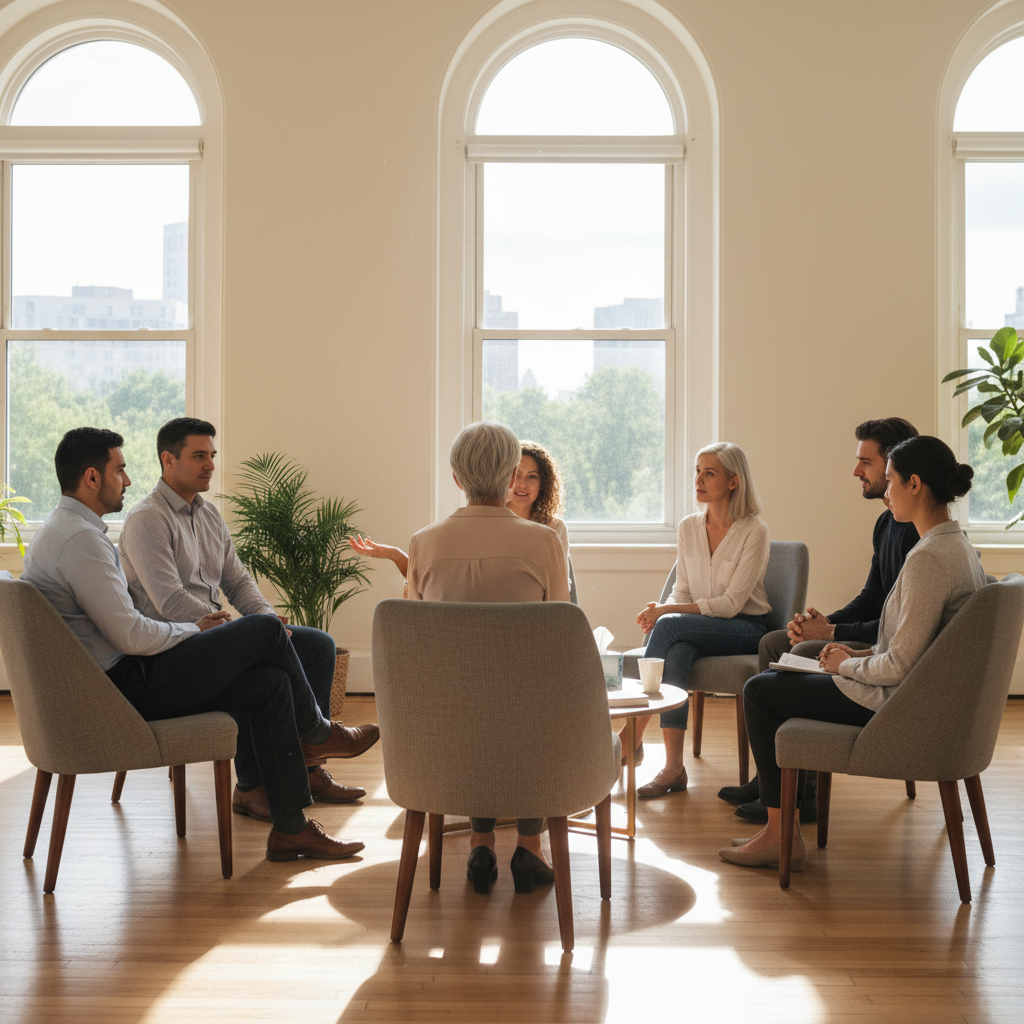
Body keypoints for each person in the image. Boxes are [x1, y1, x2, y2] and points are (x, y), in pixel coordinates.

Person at [21, 427, 375, 862]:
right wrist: (200, 631)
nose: (128, 480)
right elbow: (132, 633)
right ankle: (318, 733)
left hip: (123, 677)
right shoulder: (82, 541)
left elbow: (235, 580)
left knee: (269, 682)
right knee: (263, 634)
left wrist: (223, 628)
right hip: (124, 687)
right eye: (120, 469)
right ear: (92, 478)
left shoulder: (69, 532)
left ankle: (291, 828)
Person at [720, 436, 984, 872]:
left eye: (892, 482)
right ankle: (783, 819)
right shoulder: (955, 547)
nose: (885, 491)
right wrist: (846, 652)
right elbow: (904, 645)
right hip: (913, 695)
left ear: (915, 484)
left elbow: (899, 664)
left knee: (760, 692)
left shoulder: (930, 560)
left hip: (895, 703)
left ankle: (777, 833)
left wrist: (847, 664)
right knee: (783, 673)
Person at [117, 417, 376, 824]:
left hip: (212, 632)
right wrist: (236, 631)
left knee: (317, 645)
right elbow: (168, 601)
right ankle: (256, 783)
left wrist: (268, 621)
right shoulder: (146, 519)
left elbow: (237, 580)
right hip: (174, 645)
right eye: (199, 456)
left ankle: (309, 767)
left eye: (212, 456)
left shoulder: (208, 515)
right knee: (255, 655)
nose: (210, 465)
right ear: (168, 460)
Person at [720, 417, 920, 823]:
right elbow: (872, 598)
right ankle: (776, 778)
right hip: (878, 637)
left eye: (865, 461)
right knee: (776, 642)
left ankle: (796, 793)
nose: (855, 471)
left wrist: (828, 632)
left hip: (888, 651)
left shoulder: (918, 534)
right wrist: (824, 619)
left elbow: (894, 625)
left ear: (893, 465)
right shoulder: (886, 524)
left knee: (802, 651)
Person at [406, 421, 571, 895]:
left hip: (446, 720)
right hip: (526, 721)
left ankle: (480, 842)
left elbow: (417, 640)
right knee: (530, 708)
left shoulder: (423, 543)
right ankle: (528, 846)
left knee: (475, 704)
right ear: (508, 479)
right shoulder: (543, 542)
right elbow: (559, 633)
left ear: (457, 479)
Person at [632, 442, 771, 798]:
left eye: (709, 473)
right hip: (701, 628)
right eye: (697, 471)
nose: (699, 479)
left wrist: (664, 614)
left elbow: (731, 603)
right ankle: (674, 769)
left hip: (746, 628)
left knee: (669, 626)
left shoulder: (753, 531)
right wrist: (667, 609)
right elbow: (683, 592)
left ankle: (632, 735)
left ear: (733, 482)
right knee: (676, 653)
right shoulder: (689, 527)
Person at [348, 441, 570, 580]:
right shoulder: (476, 522)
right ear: (508, 477)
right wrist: (394, 555)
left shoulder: (553, 532)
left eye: (532, 477)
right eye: (518, 475)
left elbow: (559, 597)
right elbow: (433, 578)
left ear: (544, 483)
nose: (522, 484)